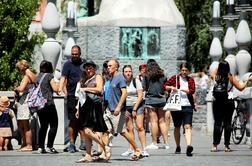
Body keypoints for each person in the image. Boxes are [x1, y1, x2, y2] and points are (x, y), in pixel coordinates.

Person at [103, 59, 141, 161]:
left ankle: (137, 150)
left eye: (110, 66)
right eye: (107, 66)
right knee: (105, 131)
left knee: (122, 131)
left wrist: (119, 107)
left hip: (118, 111)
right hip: (109, 110)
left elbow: (124, 93)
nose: (108, 67)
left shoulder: (120, 78)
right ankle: (105, 153)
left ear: (116, 67)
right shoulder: (111, 79)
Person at [210, 60, 251, 152]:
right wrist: (247, 81)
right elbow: (241, 88)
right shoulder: (230, 77)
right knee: (227, 123)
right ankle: (227, 146)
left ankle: (214, 145)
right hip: (228, 102)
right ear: (228, 68)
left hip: (217, 102)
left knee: (217, 123)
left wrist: (220, 69)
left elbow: (213, 72)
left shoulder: (214, 76)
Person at [75, 60, 110, 163]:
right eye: (87, 68)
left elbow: (99, 89)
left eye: (90, 68)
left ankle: (105, 147)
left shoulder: (98, 77)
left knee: (87, 131)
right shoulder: (85, 79)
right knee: (86, 132)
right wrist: (78, 109)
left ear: (94, 68)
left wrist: (85, 89)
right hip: (85, 107)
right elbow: (81, 96)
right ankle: (88, 155)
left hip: (94, 106)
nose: (88, 70)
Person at [163, 62, 196, 156]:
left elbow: (192, 90)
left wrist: (187, 90)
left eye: (186, 70)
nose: (184, 72)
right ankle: (178, 146)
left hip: (188, 105)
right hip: (176, 106)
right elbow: (164, 86)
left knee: (188, 126)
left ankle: (189, 146)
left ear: (188, 71)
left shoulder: (190, 80)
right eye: (182, 70)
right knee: (177, 126)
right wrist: (171, 87)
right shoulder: (175, 78)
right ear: (180, 70)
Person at [58, 45, 86, 153]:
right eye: (72, 54)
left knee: (82, 120)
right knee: (72, 120)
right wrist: (60, 89)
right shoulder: (67, 64)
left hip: (83, 96)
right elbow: (63, 78)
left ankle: (83, 143)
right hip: (71, 96)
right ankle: (71, 143)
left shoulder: (84, 64)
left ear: (80, 54)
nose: (74, 55)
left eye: (76, 54)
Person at [121, 65, 149, 157]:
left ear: (132, 72)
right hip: (126, 107)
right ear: (123, 73)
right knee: (129, 129)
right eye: (126, 71)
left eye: (129, 71)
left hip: (137, 105)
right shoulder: (121, 82)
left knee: (140, 127)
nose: (128, 73)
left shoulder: (136, 81)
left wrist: (134, 109)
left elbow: (140, 96)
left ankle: (144, 149)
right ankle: (131, 149)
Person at [143, 61, 169, 150]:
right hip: (162, 100)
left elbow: (144, 88)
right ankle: (166, 143)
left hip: (151, 100)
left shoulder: (146, 75)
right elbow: (165, 87)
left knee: (153, 121)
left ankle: (154, 143)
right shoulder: (163, 75)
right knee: (162, 121)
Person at [36, 60, 59, 154]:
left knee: (43, 126)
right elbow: (56, 89)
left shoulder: (37, 77)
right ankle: (50, 146)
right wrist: (58, 82)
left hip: (39, 105)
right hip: (48, 104)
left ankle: (41, 147)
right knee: (54, 124)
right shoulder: (49, 76)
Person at [14, 60, 36, 152]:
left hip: (25, 102)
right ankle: (25, 144)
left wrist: (16, 88)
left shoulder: (27, 76)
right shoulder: (32, 75)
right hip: (26, 101)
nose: (19, 72)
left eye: (19, 69)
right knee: (23, 125)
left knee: (25, 125)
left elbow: (21, 88)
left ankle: (29, 145)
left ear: (21, 68)